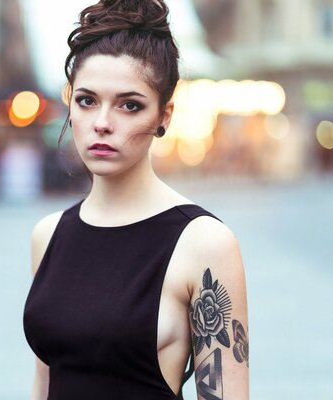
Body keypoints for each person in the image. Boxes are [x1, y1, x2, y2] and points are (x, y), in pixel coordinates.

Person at [23, 1, 249, 399]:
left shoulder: (203, 242)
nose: (103, 123)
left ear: (164, 116)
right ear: (70, 104)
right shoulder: (49, 234)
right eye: (87, 100)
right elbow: (45, 384)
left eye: (130, 105)